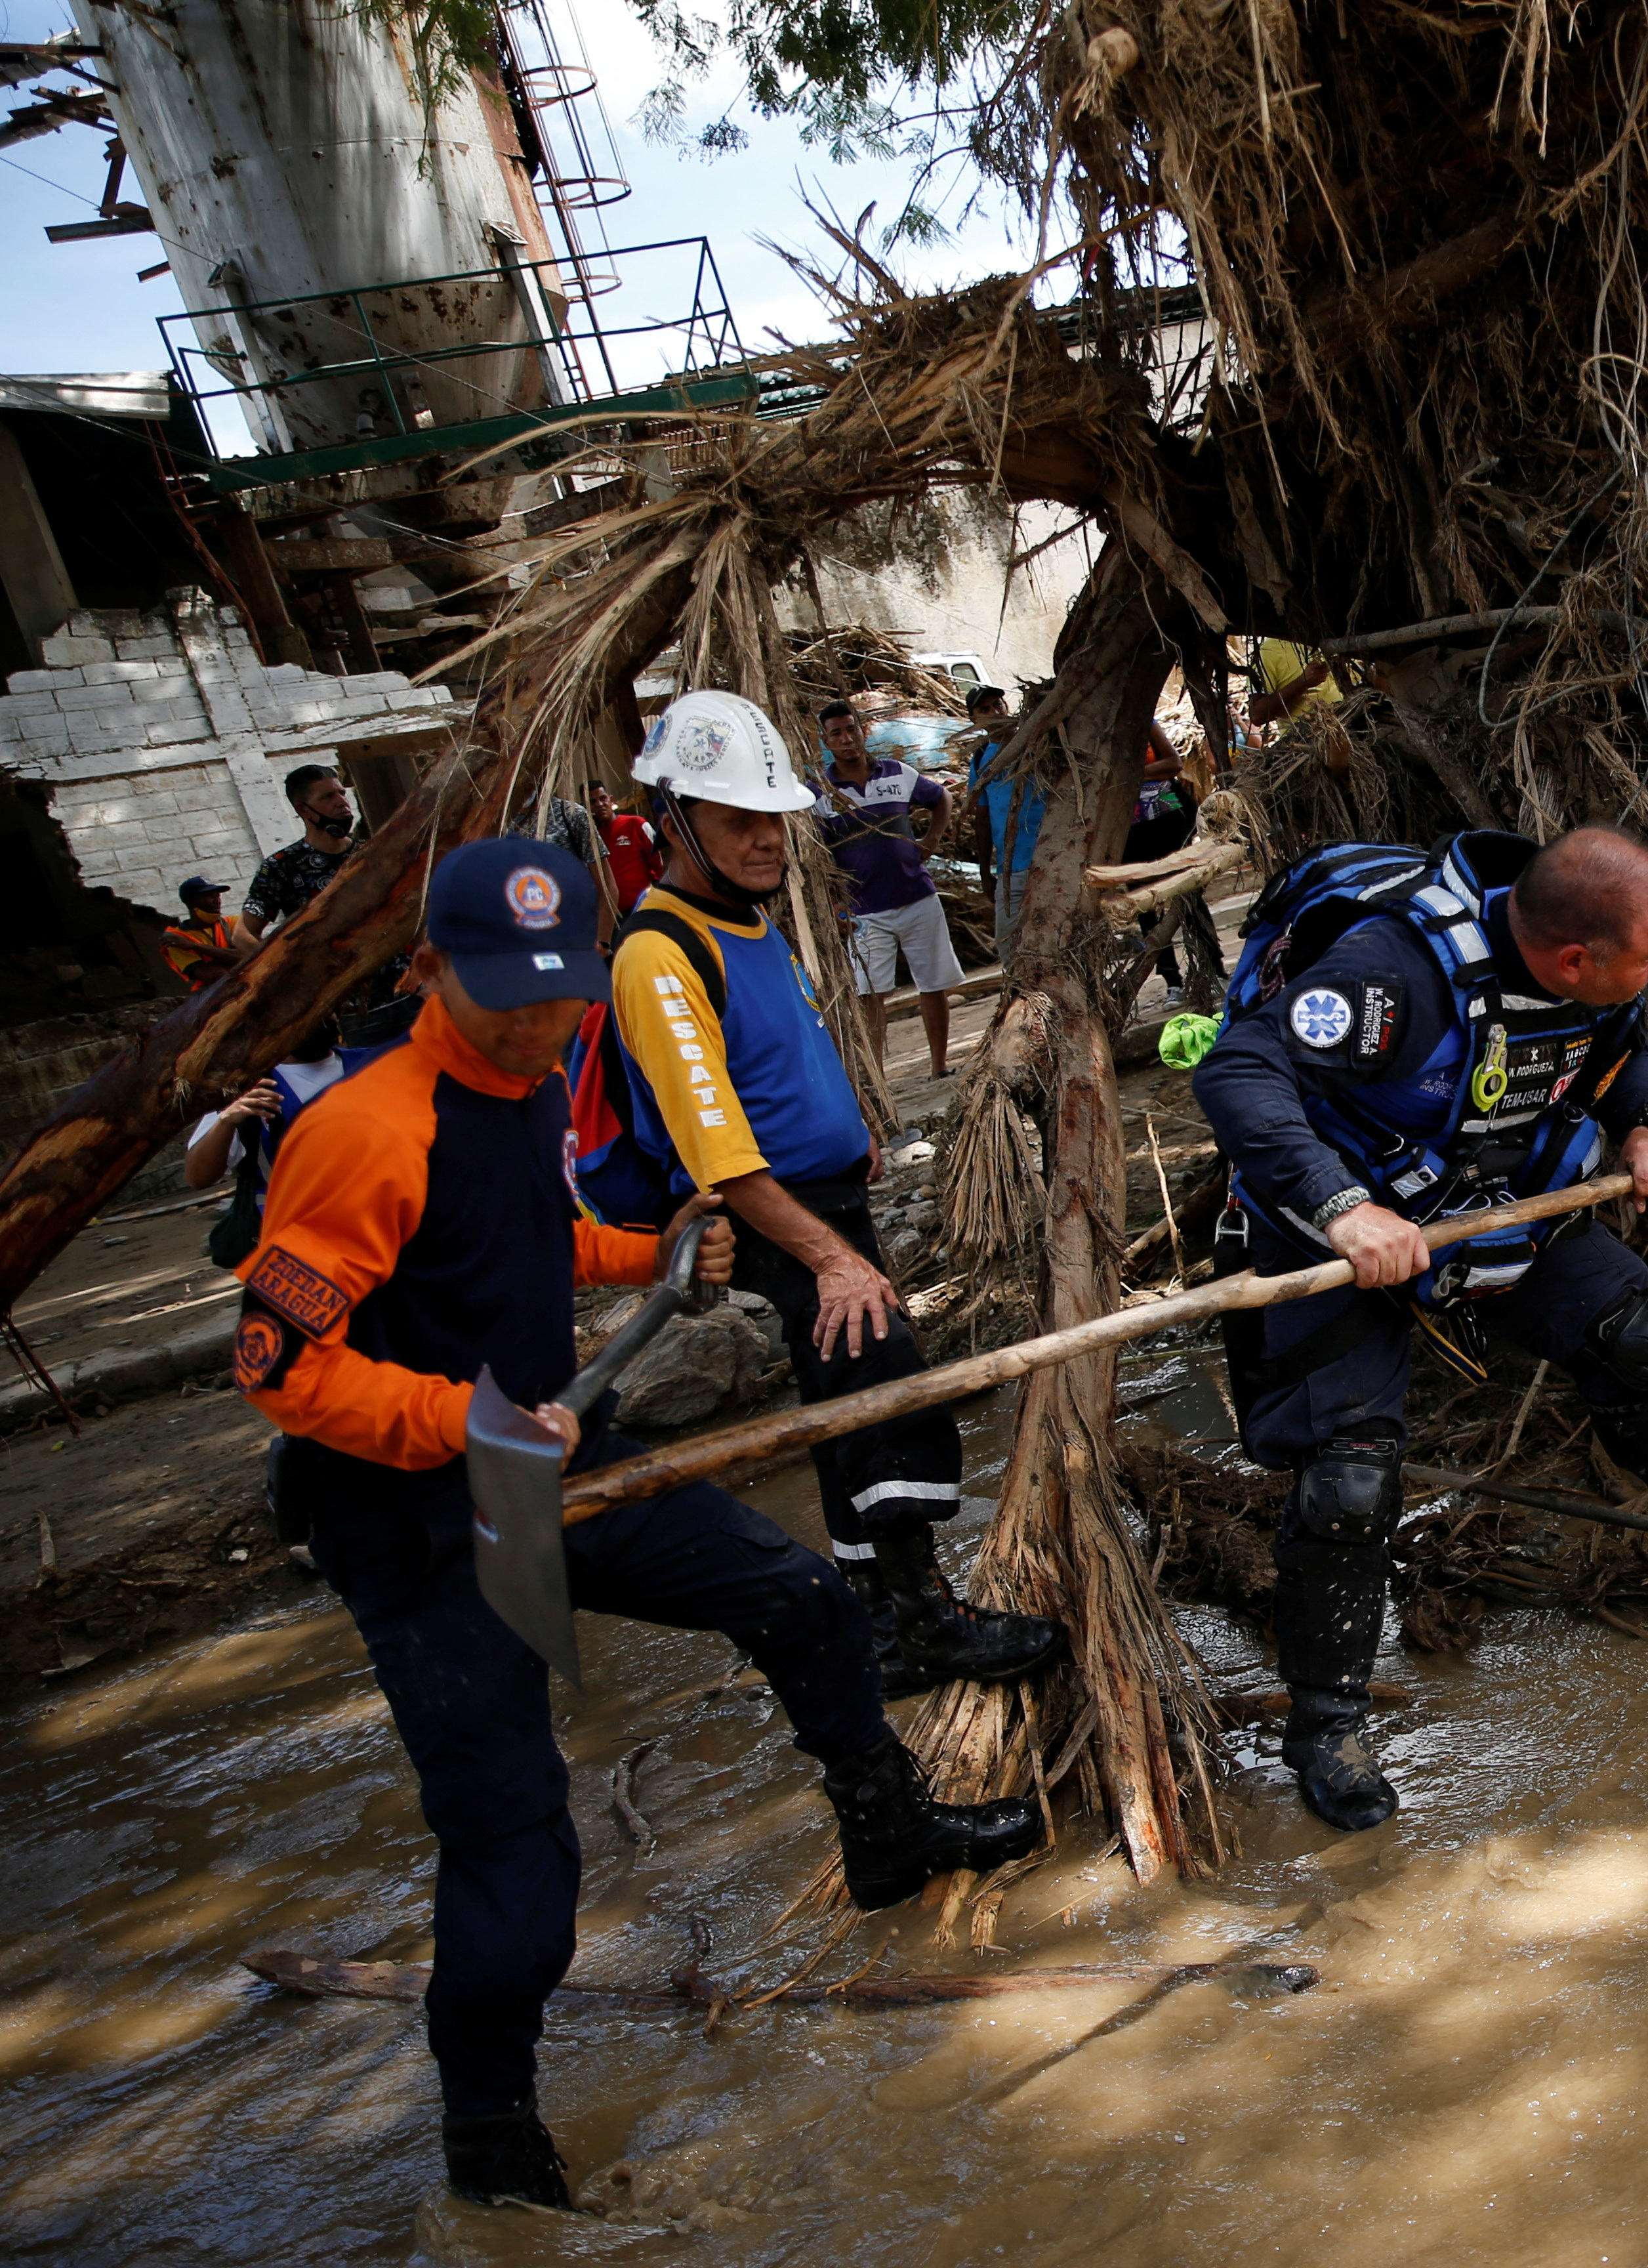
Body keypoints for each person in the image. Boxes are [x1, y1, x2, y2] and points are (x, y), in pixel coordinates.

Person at [237, 836, 1042, 2212]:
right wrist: (469, 1428)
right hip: (424, 1512)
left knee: (801, 1593)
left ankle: (888, 1832)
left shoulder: (533, 1076)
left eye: (561, 994)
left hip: (562, 1453)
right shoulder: (362, 1129)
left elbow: (508, 1239)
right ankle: (492, 2142)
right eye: (507, 995)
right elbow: (277, 1366)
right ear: (430, 971)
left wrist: (643, 1252)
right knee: (515, 1841)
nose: (542, 1020)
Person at [1193, 824, 1648, 1834]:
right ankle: (1328, 1727)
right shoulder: (1390, 972)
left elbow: (1619, 1048)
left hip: (1488, 1206)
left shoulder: (1601, 979)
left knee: (1642, 1341)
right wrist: (1340, 1208)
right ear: (1574, 955)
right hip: (1331, 1232)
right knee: (1351, 1480)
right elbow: (1240, 1071)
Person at [606, 690, 1063, 1697]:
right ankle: (924, 1617)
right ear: (675, 822)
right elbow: (718, 1151)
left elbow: (783, 1058)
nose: (768, 841)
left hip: (823, 1198)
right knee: (880, 1387)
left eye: (774, 819)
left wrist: (852, 1139)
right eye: (739, 823)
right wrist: (829, 1255)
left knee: (846, 1408)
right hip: (775, 1218)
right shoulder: (659, 952)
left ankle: (882, 1631)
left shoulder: (748, 925)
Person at [814, 700, 965, 1082]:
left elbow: (942, 798)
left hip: (917, 896)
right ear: (826, 740)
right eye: (837, 733)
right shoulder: (820, 792)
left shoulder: (897, 773)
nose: (847, 739)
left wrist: (930, 841)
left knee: (933, 984)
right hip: (863, 909)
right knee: (870, 994)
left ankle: (939, 1066)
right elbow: (815, 852)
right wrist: (834, 900)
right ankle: (877, 1079)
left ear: (862, 730)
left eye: (852, 729)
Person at [241, 762, 417, 1044]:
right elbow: (243, 935)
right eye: (327, 797)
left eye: (341, 794)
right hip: (352, 1013)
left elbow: (419, 914)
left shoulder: (377, 855)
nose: (341, 803)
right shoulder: (281, 867)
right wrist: (292, 978)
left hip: (411, 997)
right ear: (304, 810)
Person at [184, 1020, 346, 1268]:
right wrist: (227, 1120)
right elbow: (198, 1177)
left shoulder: (378, 1064)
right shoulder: (245, 1087)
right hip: (294, 1251)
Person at [1123, 719, 1222, 1005]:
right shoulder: (1090, 732)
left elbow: (1173, 764)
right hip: (1127, 829)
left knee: (1187, 893)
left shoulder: (1144, 723)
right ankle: (1172, 982)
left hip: (1167, 818)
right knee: (1145, 904)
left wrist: (1131, 774)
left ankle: (1212, 968)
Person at [967, 684, 1044, 950]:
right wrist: (985, 874)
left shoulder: (1038, 744)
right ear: (974, 720)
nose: (995, 712)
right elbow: (982, 818)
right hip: (1011, 869)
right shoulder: (980, 760)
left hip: (1050, 856)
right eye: (984, 709)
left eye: (998, 704)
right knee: (1010, 947)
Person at [161, 875, 249, 986]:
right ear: (190, 902)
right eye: (209, 896)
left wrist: (196, 947)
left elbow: (249, 956)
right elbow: (213, 977)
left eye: (218, 896)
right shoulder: (175, 938)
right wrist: (232, 957)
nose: (217, 901)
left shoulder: (234, 922)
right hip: (216, 998)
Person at [588, 784, 659, 917]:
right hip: (613, 917)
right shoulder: (588, 840)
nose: (599, 804)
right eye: (592, 802)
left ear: (611, 800)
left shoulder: (637, 825)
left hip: (646, 908)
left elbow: (660, 864)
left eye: (603, 798)